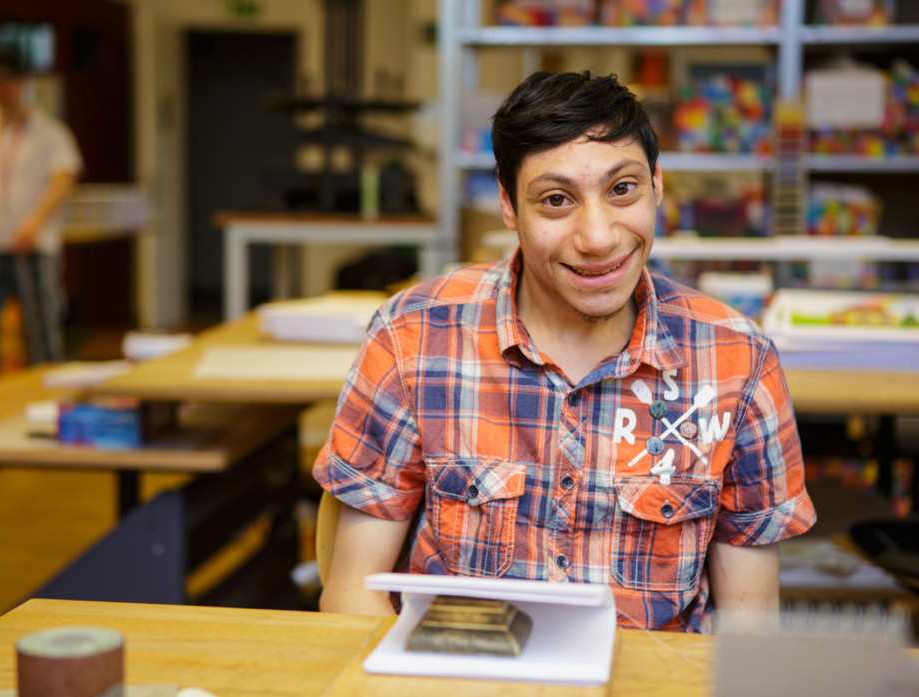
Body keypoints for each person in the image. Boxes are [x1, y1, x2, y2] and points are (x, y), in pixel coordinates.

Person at [313, 70, 815, 632]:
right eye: (556, 200)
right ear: (508, 207)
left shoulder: (737, 361)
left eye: (622, 189)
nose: (598, 237)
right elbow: (353, 597)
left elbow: (748, 627)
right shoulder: (414, 337)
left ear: (657, 186)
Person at [0, 48, 83, 378]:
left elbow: (64, 178)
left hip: (33, 244)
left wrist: (35, 223)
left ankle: (46, 399)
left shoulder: (50, 133)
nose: (1, 90)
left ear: (22, 83)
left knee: (42, 337)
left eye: (7, 82)